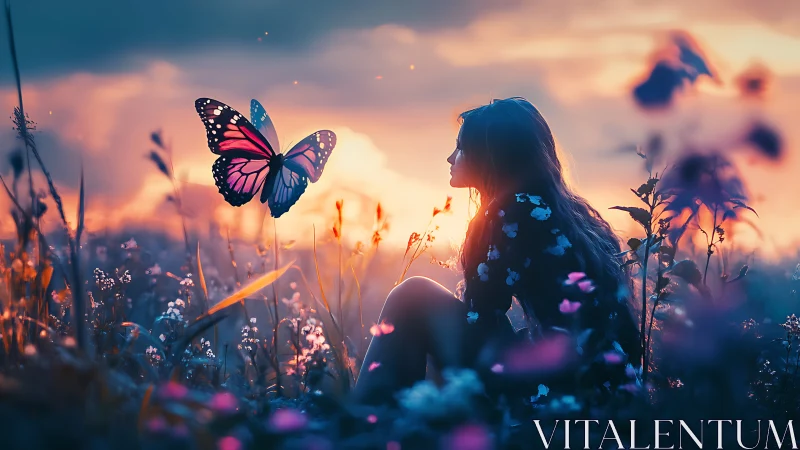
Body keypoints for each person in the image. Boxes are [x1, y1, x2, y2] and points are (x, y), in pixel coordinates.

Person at [352, 97, 640, 406]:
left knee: (411, 295)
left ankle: (363, 425)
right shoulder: (572, 215)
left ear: (489, 158)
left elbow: (480, 319)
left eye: (461, 148)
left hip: (558, 386)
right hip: (609, 383)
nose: (451, 158)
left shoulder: (507, 212)